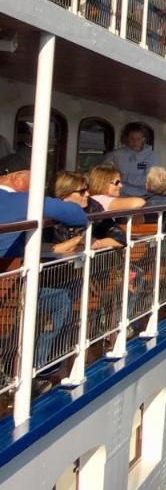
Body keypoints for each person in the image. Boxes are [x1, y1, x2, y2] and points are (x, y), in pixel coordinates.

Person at [0, 155, 89, 369]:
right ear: (17, 178)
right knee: (59, 300)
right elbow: (77, 216)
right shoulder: (23, 200)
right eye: (35, 178)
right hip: (6, 290)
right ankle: (36, 368)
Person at [103, 124, 158, 196]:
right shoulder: (114, 155)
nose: (135, 142)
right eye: (131, 138)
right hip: (119, 196)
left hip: (143, 197)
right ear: (126, 138)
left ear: (143, 139)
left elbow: (149, 181)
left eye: (138, 139)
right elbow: (103, 175)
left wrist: (124, 177)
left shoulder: (150, 156)